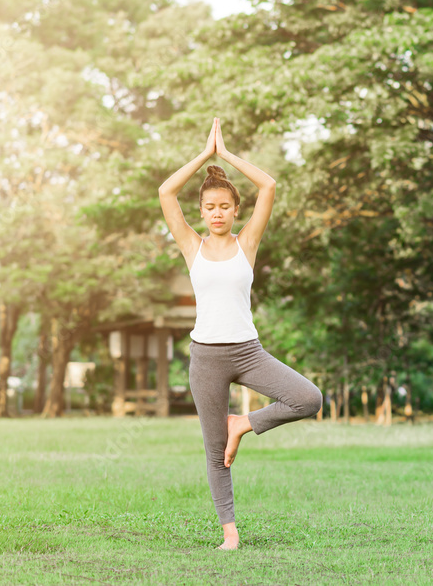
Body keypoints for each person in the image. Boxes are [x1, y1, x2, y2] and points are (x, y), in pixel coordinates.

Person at [158, 117, 322, 550]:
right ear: (202, 211)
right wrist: (203, 156)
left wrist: (225, 155)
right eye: (209, 207)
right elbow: (165, 193)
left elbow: (267, 186)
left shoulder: (247, 243)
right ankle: (229, 532)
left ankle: (242, 423)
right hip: (207, 358)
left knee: (309, 398)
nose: (216, 213)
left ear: (235, 211)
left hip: (248, 352)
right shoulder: (191, 247)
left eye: (224, 207)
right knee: (215, 452)